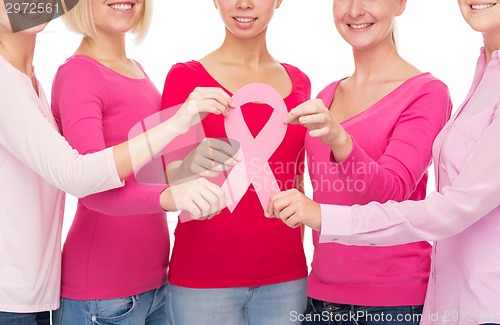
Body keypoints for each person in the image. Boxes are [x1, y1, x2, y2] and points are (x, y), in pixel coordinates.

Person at [268, 1, 500, 325]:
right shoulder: (326, 93)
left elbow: (392, 191)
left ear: (401, 4)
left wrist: (340, 140)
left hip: (390, 305)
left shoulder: (427, 93)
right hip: (320, 297)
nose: (355, 9)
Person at [0, 1, 229, 324]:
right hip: (87, 292)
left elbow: (134, 173)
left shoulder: (30, 80)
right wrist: (174, 131)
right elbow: (84, 179)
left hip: (131, 283)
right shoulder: (64, 74)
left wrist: (188, 168)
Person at [161, 0, 311, 324]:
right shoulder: (185, 78)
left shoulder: (300, 83)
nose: (244, 3)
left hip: (286, 276)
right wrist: (191, 165)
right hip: (202, 280)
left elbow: (297, 180)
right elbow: (168, 177)